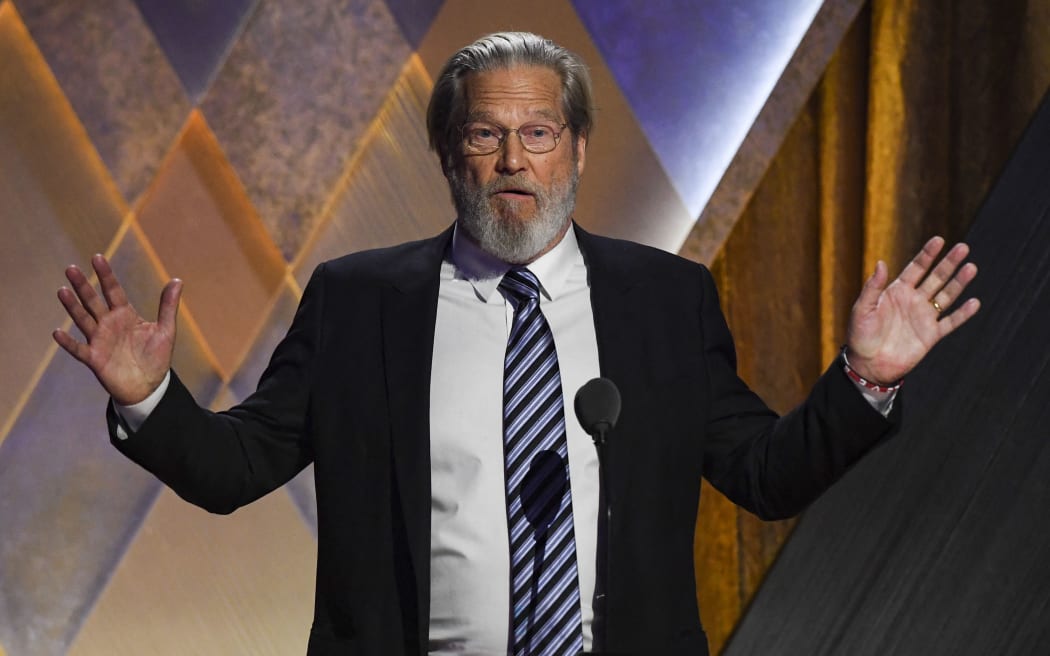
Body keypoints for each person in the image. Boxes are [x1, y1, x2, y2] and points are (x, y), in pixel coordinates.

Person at [54, 32, 979, 656]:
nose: (512, 162)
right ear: (449, 154)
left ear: (576, 149)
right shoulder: (357, 303)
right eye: (485, 135)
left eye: (538, 133)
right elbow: (236, 467)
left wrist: (864, 380)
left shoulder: (667, 300)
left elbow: (764, 474)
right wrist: (148, 398)